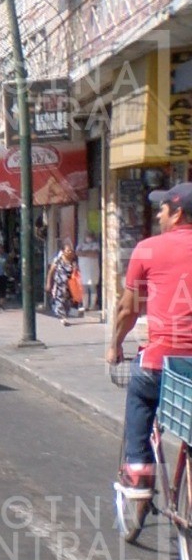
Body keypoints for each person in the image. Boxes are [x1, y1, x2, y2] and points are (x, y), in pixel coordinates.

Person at [107, 182, 192, 495]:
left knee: (140, 392)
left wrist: (115, 346)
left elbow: (127, 310)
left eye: (162, 209)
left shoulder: (148, 249)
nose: (158, 215)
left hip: (162, 363)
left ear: (177, 213)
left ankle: (138, 469)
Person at [45, 241, 78, 326]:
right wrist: (48, 283)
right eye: (67, 251)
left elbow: (75, 273)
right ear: (63, 251)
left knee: (68, 303)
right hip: (59, 285)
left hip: (69, 286)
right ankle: (62, 318)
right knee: (59, 301)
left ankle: (65, 315)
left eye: (70, 251)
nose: (69, 252)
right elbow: (51, 272)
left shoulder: (73, 261)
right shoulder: (58, 260)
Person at [75, 232, 100, 311]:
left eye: (89, 236)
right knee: (84, 288)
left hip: (92, 270)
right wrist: (88, 253)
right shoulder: (80, 245)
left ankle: (92, 305)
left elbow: (94, 254)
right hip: (83, 270)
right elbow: (77, 253)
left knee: (92, 287)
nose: (88, 238)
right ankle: (85, 305)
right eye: (86, 236)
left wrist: (83, 253)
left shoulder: (95, 245)